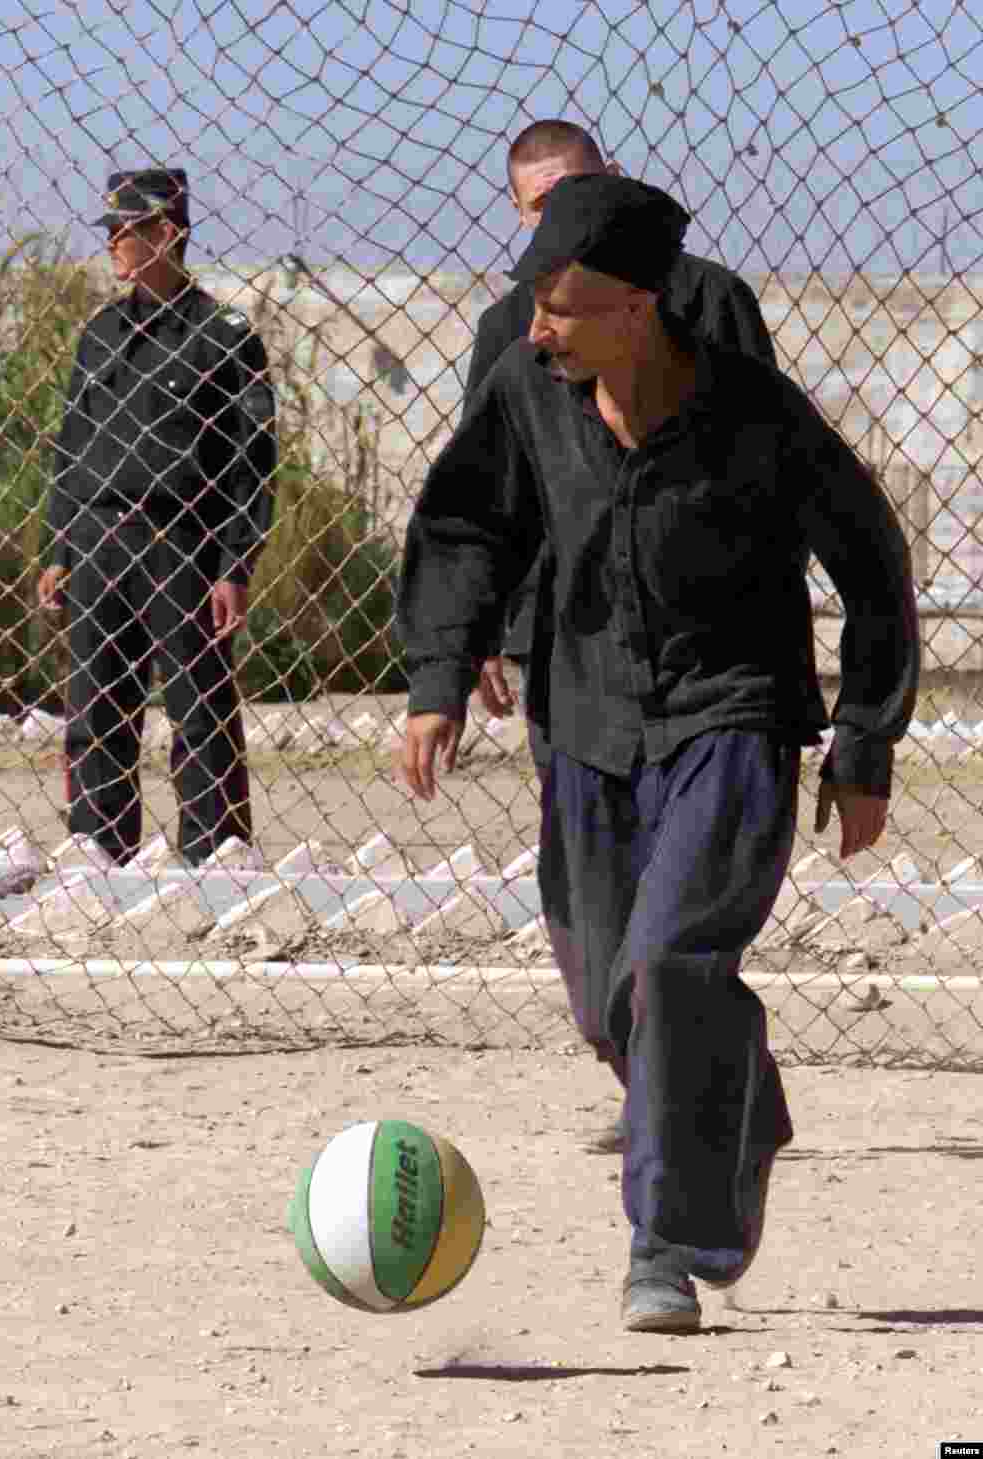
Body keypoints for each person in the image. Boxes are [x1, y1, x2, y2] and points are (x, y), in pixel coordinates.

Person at [398, 174, 919, 1333]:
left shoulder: (754, 416)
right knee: (608, 1007)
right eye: (536, 303)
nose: (536, 328)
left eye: (564, 308)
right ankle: (737, 1099)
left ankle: (667, 1247)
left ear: (637, 309)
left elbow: (874, 565)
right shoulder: (528, 396)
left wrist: (863, 743)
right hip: (585, 726)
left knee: (670, 966)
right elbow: (467, 524)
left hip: (730, 721)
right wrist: (439, 676)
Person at [466, 119, 780, 1156]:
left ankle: (676, 1109)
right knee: (594, 937)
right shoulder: (510, 329)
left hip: (703, 663)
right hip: (572, 663)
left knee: (678, 910)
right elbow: (488, 496)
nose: (561, 224)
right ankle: (707, 1082)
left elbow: (763, 471)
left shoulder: (711, 303)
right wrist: (480, 633)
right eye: (537, 210)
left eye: (577, 197)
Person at [38, 168, 276, 867]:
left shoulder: (224, 336)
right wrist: (59, 545)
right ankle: (100, 847)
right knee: (96, 705)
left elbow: (252, 462)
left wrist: (237, 564)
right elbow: (73, 445)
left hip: (184, 543)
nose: (112, 242)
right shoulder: (101, 333)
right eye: (109, 229)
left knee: (199, 707)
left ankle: (216, 852)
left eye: (126, 230)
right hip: (99, 540)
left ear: (167, 233)